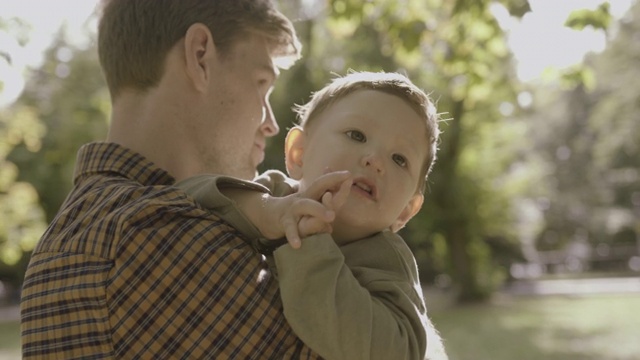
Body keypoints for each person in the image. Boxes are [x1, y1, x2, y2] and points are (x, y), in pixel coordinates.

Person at [20, 0, 344, 358]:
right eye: (261, 83)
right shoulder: (149, 231)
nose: (271, 123)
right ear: (200, 56)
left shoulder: (87, 228)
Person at [176, 71, 449, 360]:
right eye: (357, 135)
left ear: (406, 210)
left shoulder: (388, 263)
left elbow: (398, 352)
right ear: (299, 154)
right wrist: (266, 212)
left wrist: (310, 242)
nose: (375, 160)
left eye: (399, 159)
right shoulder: (274, 192)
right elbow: (183, 194)